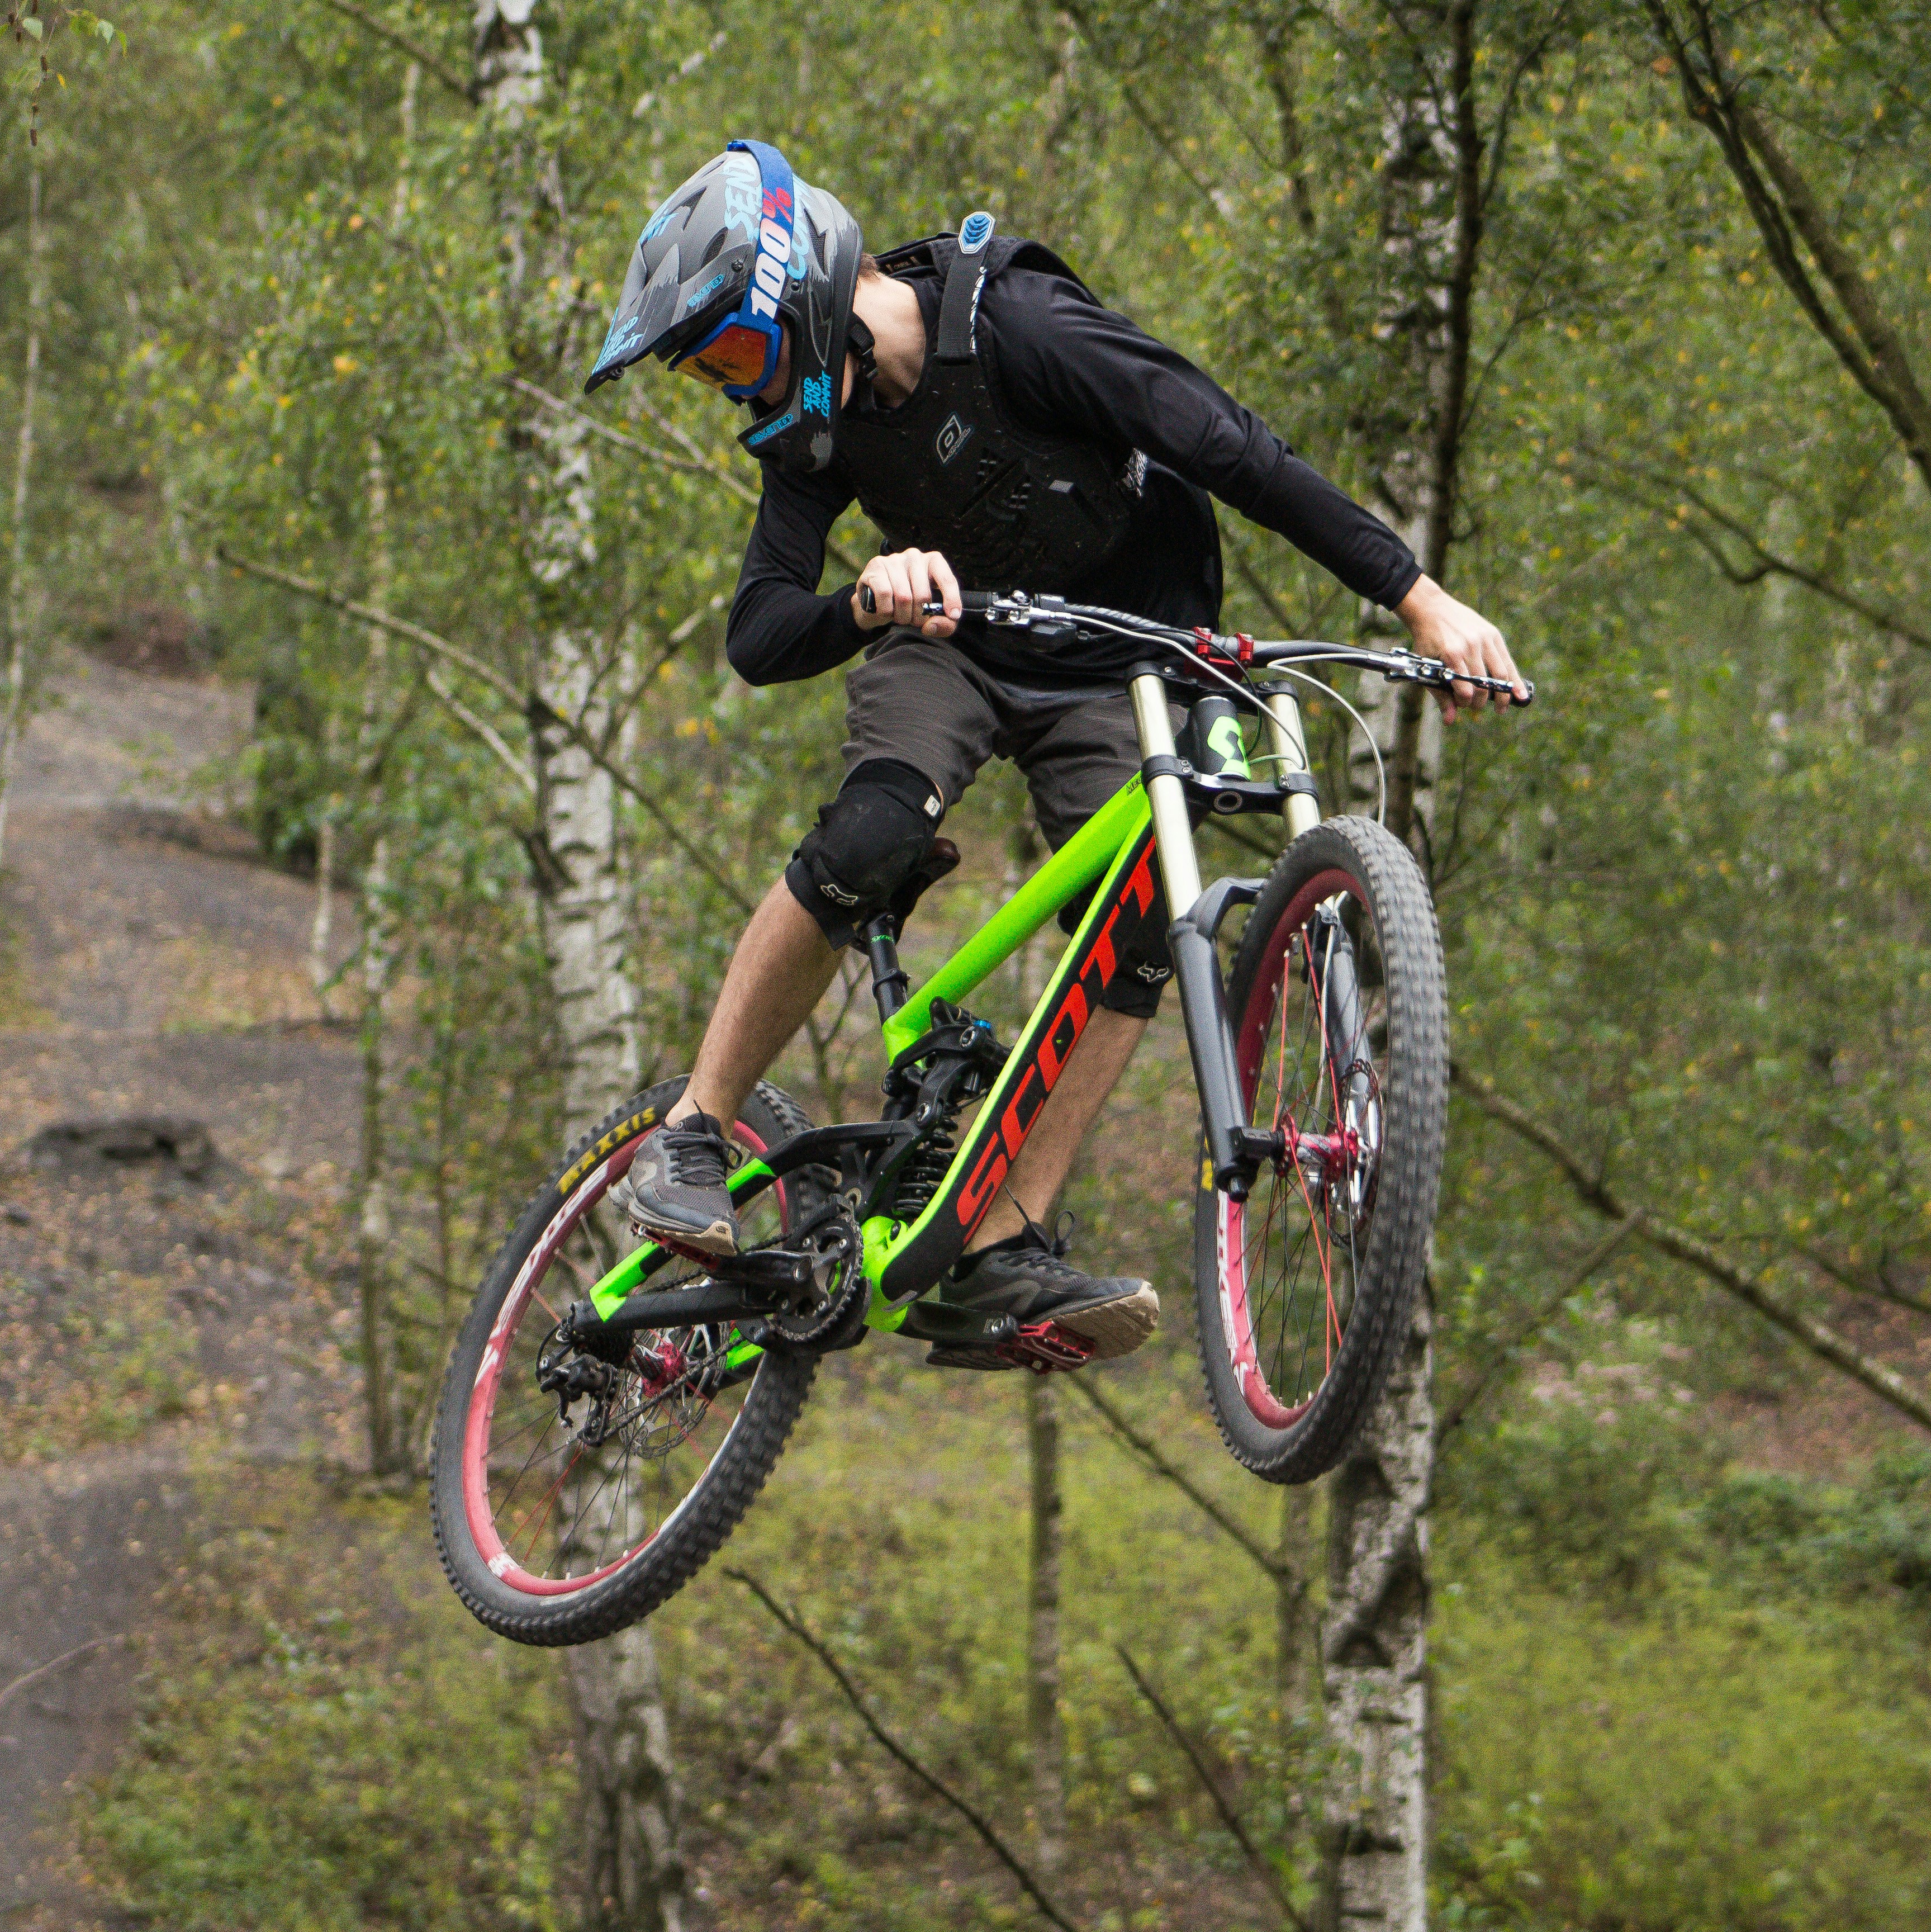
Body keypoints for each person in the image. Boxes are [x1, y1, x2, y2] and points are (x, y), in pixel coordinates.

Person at [581, 140, 1521, 1370]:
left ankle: (1003, 1250)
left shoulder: (1020, 328)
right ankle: (695, 1135)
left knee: (1139, 923)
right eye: (709, 372)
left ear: (800, 289)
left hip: (1119, 660)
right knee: (871, 839)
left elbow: (1233, 447)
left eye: (733, 352)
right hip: (952, 647)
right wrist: (865, 602)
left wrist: (1418, 601)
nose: (730, 389)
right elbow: (759, 635)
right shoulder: (817, 431)